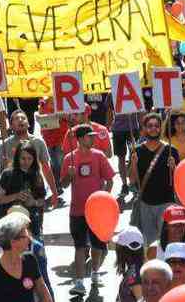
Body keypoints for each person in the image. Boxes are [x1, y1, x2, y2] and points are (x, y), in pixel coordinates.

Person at [61, 124, 115, 295]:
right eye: (89, 136)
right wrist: (69, 176)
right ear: (80, 139)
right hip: (77, 210)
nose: (93, 139)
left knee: (98, 246)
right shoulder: (68, 159)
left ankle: (95, 273)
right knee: (79, 247)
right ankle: (78, 282)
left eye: (93, 136)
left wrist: (104, 199)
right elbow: (63, 184)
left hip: (97, 211)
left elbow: (110, 180)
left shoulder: (99, 156)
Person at [0, 213, 53, 302]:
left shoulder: (30, 260)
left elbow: (42, 289)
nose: (30, 239)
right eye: (25, 236)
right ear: (13, 241)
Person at [130, 113, 179, 245]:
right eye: (150, 126)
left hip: (166, 202)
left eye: (156, 126)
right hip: (146, 203)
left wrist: (174, 167)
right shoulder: (137, 151)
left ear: (161, 127)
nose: (153, 129)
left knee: (166, 241)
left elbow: (179, 180)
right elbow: (132, 180)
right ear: (145, 128)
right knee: (150, 243)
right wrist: (133, 164)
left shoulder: (171, 150)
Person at [0, 110, 58, 208]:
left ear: (29, 124)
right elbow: (2, 174)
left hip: (35, 190)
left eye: (23, 118)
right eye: (17, 119)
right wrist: (6, 164)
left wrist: (54, 192)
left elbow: (46, 168)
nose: (20, 120)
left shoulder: (38, 142)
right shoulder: (5, 145)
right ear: (11, 126)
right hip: (12, 192)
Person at [0, 142, 47, 237]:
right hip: (10, 224)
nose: (26, 162)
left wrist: (34, 202)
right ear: (17, 158)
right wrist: (16, 196)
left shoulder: (37, 176)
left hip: (32, 223)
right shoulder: (8, 174)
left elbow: (42, 201)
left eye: (29, 159)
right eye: (23, 158)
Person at [146, 206, 185, 279]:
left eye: (182, 224)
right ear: (166, 226)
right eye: (175, 225)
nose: (179, 228)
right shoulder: (154, 250)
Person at [114, 226, 145, 302]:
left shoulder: (135, 275)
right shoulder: (137, 269)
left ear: (123, 251)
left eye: (117, 246)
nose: (115, 248)